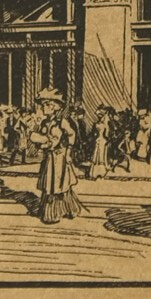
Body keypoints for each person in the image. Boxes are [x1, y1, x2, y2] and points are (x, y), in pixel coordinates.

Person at [29, 88, 83, 223]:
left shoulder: (62, 122)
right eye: (42, 105)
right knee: (51, 183)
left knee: (59, 184)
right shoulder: (45, 122)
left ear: (52, 107)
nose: (42, 108)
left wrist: (69, 151)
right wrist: (39, 140)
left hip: (60, 156)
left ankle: (57, 212)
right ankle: (64, 209)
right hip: (50, 157)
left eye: (45, 105)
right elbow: (39, 137)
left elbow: (72, 134)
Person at [88, 107, 113, 179]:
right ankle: (101, 172)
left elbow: (93, 134)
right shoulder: (105, 125)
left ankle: (94, 173)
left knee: (96, 156)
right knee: (101, 156)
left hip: (97, 140)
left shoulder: (95, 124)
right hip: (102, 140)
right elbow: (106, 135)